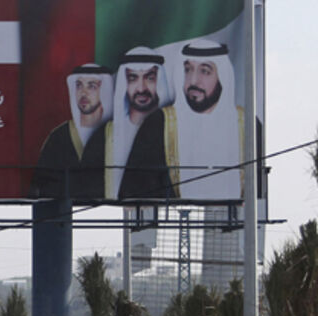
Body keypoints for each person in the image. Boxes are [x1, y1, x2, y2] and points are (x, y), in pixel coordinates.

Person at [82, 46, 177, 200]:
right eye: (133, 78)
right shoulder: (102, 139)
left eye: (149, 78)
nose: (141, 88)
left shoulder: (172, 135)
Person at [171, 39, 242, 200]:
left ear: (222, 77)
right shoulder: (159, 125)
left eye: (205, 71)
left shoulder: (247, 127)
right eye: (188, 70)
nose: (193, 81)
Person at [31, 64, 112, 199]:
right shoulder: (58, 137)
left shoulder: (114, 135)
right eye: (79, 86)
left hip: (108, 213)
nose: (83, 93)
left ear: (104, 91)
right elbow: (41, 184)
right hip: (60, 215)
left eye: (91, 86)